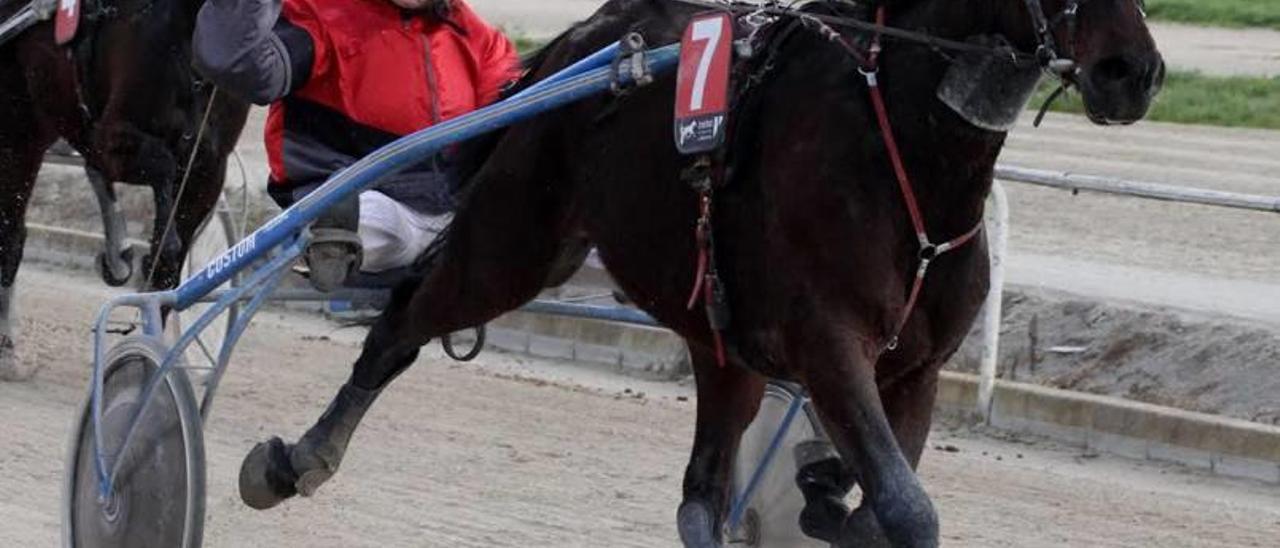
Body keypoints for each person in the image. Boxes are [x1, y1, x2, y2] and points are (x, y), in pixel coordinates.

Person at [192, 0, 519, 290]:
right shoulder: (323, 15)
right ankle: (329, 241)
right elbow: (244, 68)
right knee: (366, 217)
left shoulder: (481, 41)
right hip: (359, 203)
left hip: (452, 215)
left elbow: (519, 123)